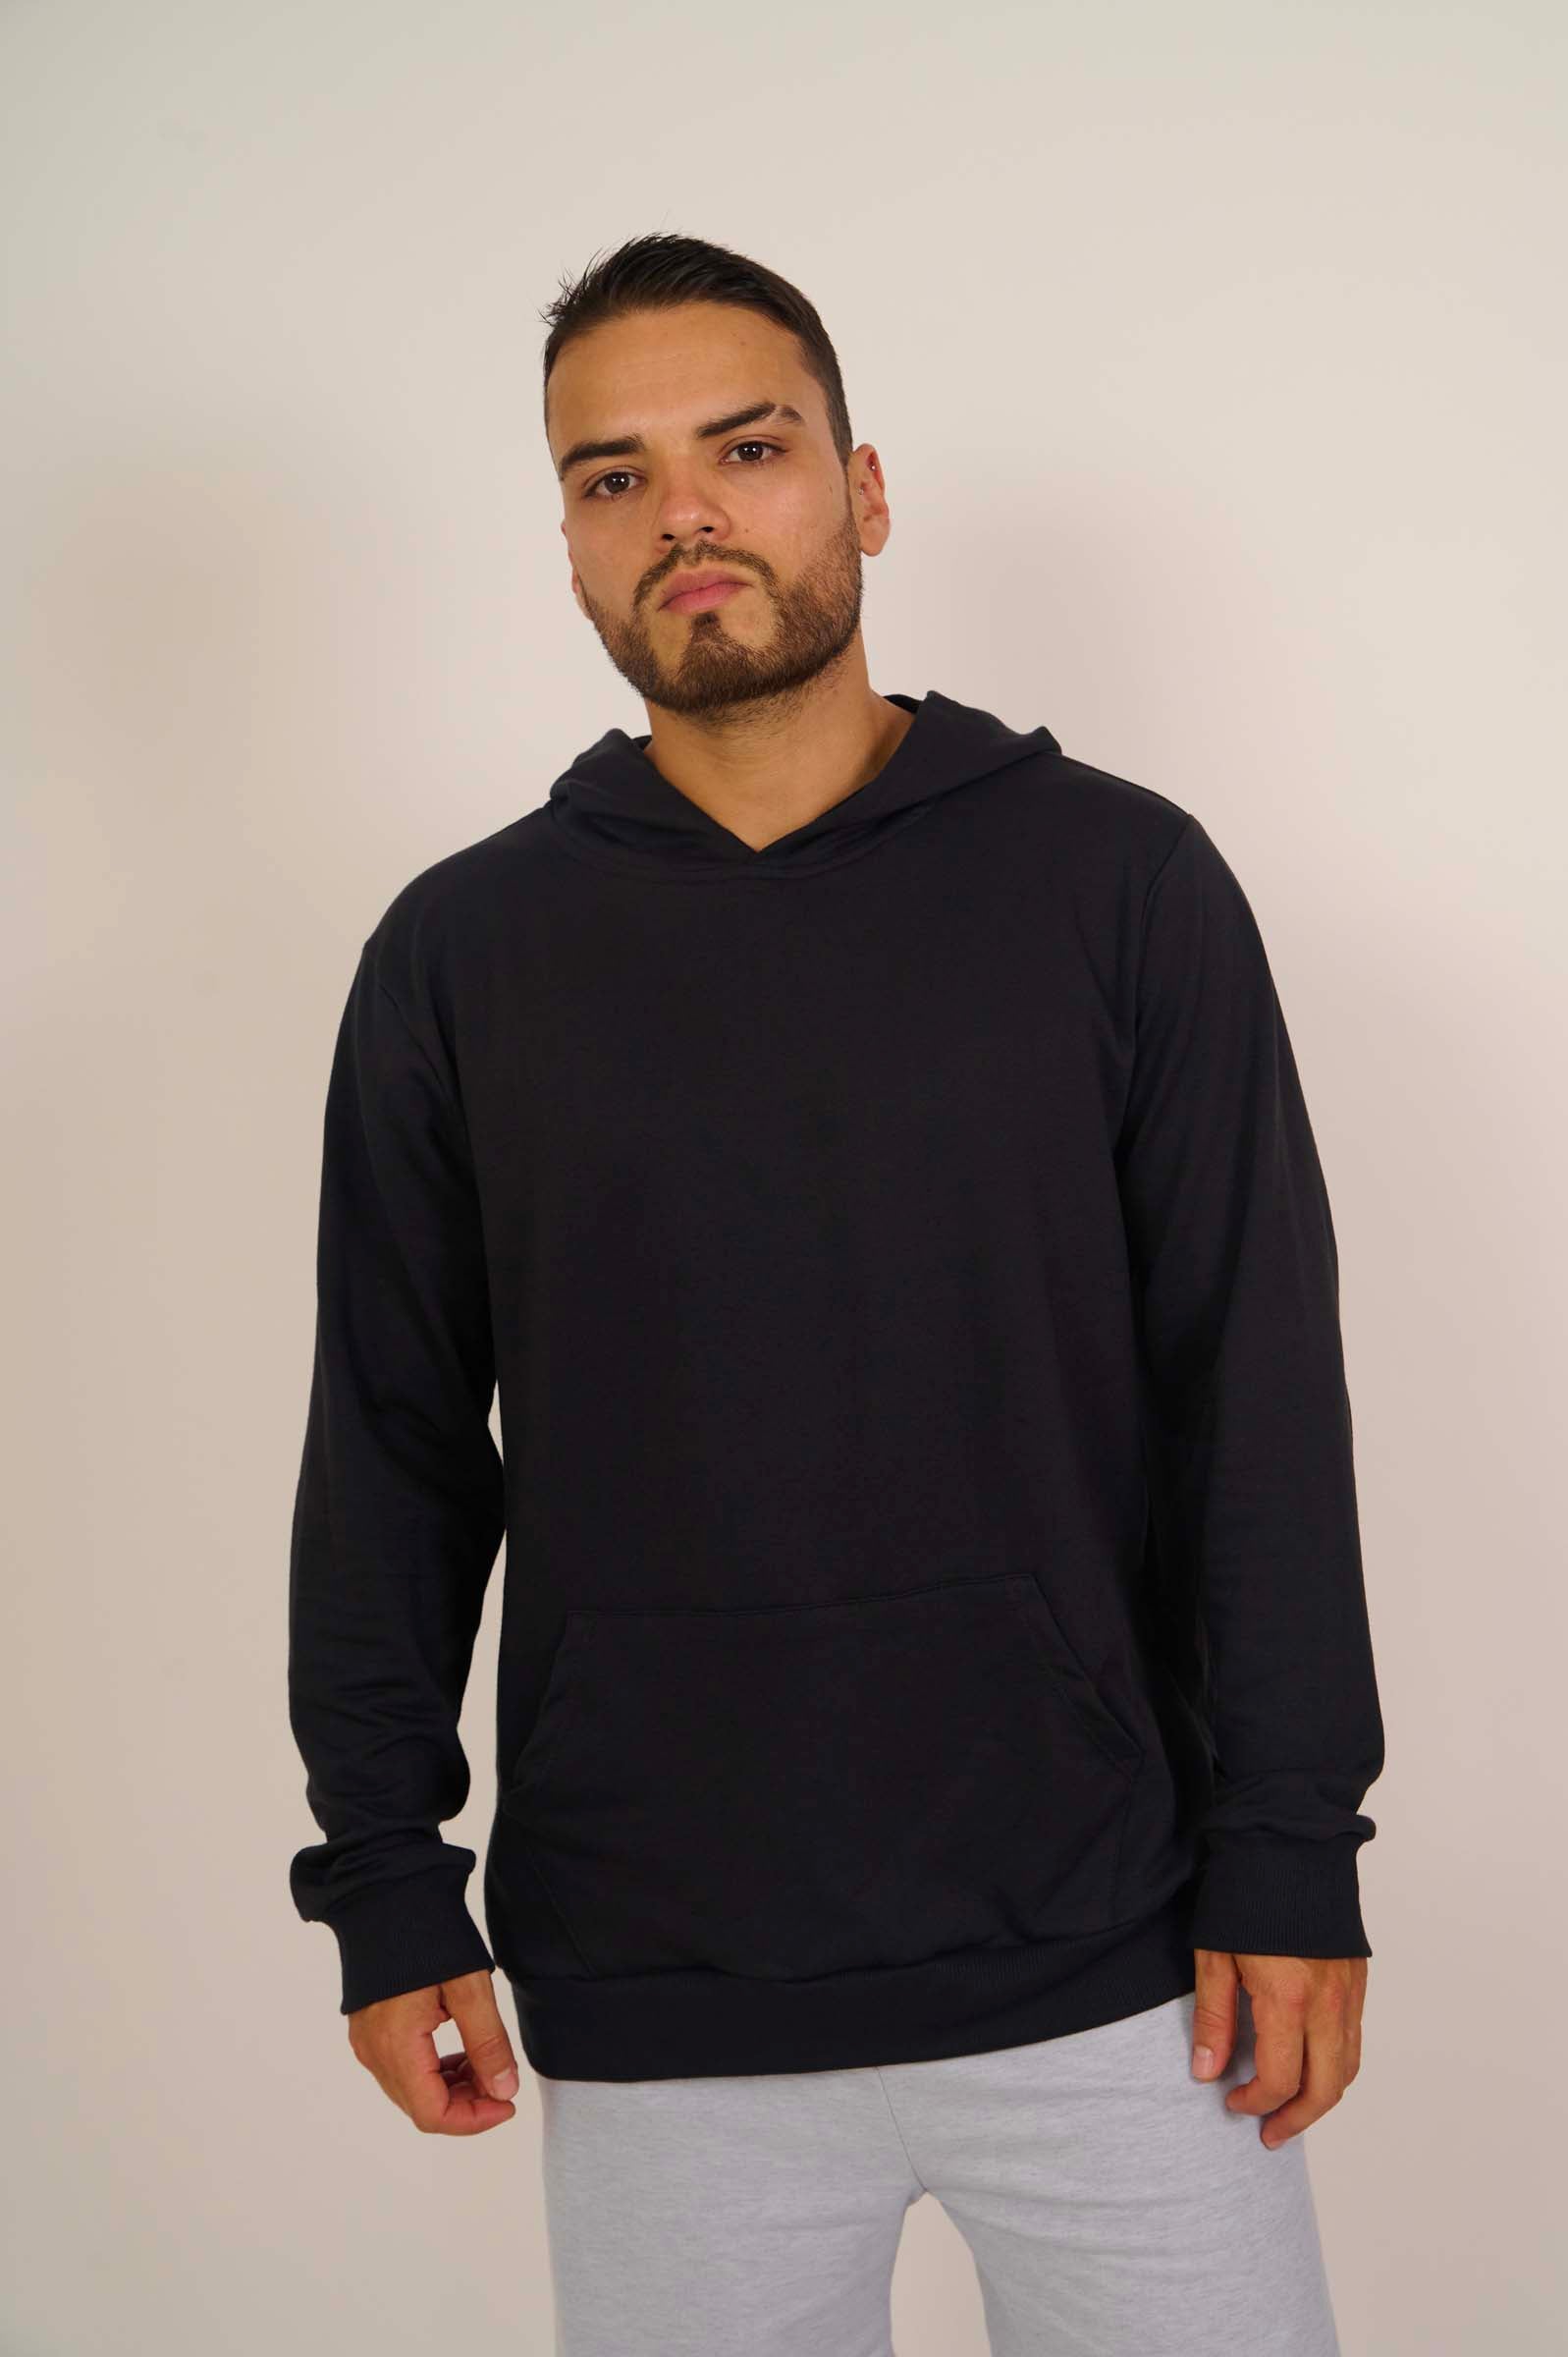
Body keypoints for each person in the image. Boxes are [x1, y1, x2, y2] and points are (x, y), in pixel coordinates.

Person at [287, 231, 1385, 2355]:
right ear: (568, 544)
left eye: (747, 448)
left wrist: (1289, 1847)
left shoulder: (1118, 884)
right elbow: (395, 1443)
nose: (683, 514)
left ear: (861, 493)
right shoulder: (461, 958)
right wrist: (386, 1874)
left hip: (1122, 1966)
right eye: (612, 477)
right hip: (661, 1987)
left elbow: (1249, 1389)